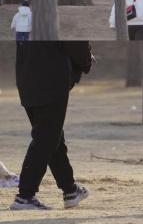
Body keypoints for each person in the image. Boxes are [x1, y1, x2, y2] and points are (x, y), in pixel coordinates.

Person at [9, 41, 92, 210]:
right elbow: (75, 40)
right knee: (45, 138)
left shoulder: (23, 13)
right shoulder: (56, 13)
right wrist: (86, 60)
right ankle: (25, 196)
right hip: (51, 79)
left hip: (25, 76)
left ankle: (70, 190)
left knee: (50, 135)